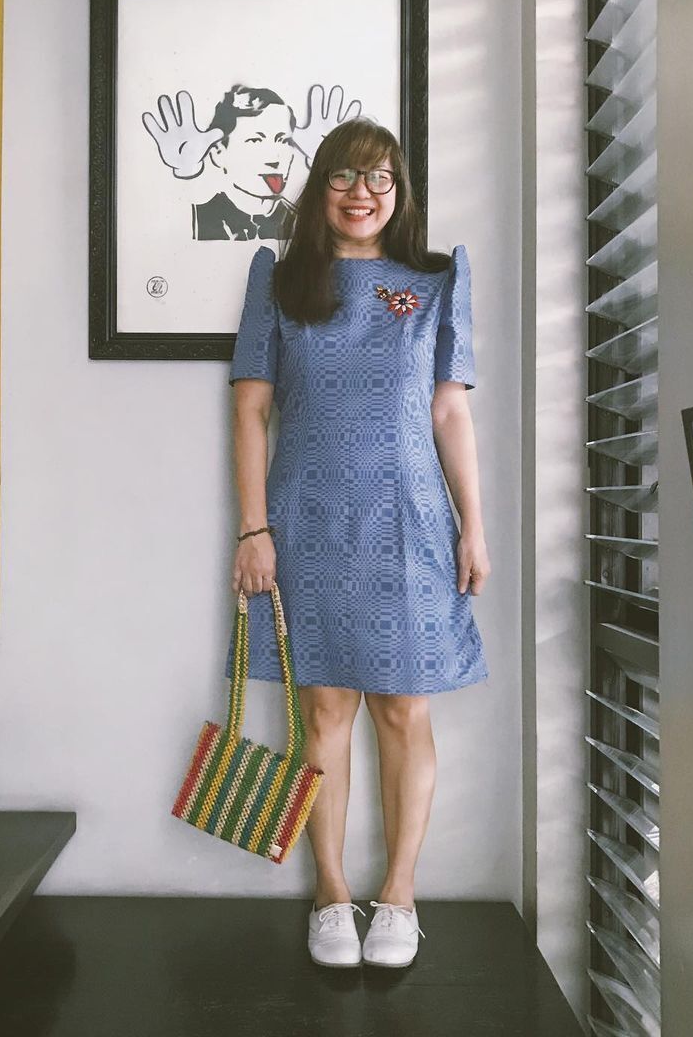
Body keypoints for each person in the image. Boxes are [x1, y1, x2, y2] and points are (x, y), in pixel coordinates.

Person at [226, 117, 491, 969]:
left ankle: (400, 895)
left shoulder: (436, 280)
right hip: (307, 521)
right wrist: (253, 528)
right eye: (344, 176)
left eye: (379, 178)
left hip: (413, 522)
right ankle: (331, 893)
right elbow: (249, 408)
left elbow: (451, 411)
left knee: (403, 709)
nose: (362, 193)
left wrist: (474, 526)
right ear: (320, 190)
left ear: (399, 192)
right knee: (325, 711)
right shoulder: (280, 280)